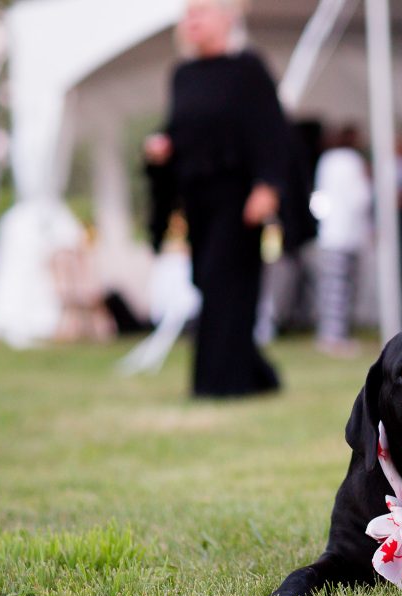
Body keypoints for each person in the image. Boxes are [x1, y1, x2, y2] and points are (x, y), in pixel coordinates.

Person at [145, 0, 289, 397]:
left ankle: (223, 385)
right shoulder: (183, 75)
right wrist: (165, 143)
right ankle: (255, 376)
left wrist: (267, 185)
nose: (192, 21)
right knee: (207, 282)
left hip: (239, 197)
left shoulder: (248, 69)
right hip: (198, 198)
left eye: (201, 12)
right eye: (188, 14)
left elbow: (271, 131)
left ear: (227, 19)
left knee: (227, 281)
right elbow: (184, 128)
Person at [312, 125, 372, 356]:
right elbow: (361, 198)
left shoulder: (326, 160)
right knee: (343, 289)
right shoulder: (353, 162)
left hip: (329, 233)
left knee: (331, 288)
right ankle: (335, 337)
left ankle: (329, 333)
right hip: (348, 234)